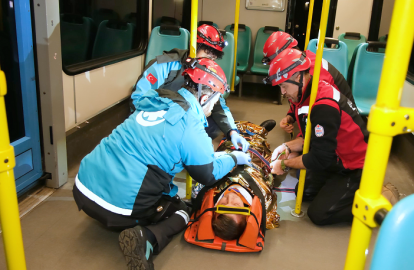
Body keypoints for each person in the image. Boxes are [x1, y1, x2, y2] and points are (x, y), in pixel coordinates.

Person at [73, 58, 252, 270]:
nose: (213, 107)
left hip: (83, 185)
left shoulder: (156, 99)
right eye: (215, 101)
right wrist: (234, 158)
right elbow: (208, 173)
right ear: (205, 96)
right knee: (183, 210)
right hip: (118, 206)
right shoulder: (190, 124)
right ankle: (146, 238)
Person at [264, 48, 368, 226]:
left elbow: (319, 158)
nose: (282, 92)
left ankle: (375, 194)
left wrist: (284, 164)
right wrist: (287, 147)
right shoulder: (306, 95)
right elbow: (310, 138)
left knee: (319, 214)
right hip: (334, 155)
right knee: (304, 193)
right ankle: (337, 188)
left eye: (284, 86)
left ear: (297, 77)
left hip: (354, 164)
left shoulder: (322, 105)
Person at [131, 24, 249, 150]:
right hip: (159, 121)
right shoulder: (164, 65)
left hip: (186, 122)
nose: (209, 61)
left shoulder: (207, 72)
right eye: (207, 55)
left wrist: (232, 132)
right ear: (194, 47)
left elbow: (218, 105)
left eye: (213, 58)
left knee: (214, 124)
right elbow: (138, 99)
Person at [262, 31, 355, 135]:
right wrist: (291, 116)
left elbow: (316, 118)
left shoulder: (313, 72)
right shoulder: (304, 62)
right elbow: (300, 96)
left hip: (342, 127)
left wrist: (298, 141)